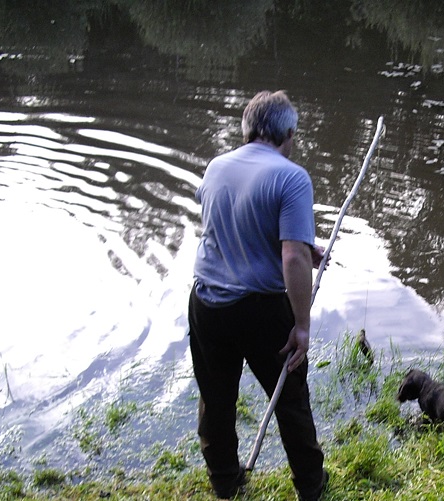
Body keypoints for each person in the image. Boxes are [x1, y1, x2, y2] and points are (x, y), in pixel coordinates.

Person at [188, 90, 328, 500]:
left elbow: (226, 225)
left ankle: (225, 484)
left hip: (207, 303)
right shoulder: (291, 176)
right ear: (287, 133)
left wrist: (302, 245)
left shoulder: (216, 167)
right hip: (260, 309)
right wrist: (301, 325)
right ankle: (311, 486)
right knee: (289, 398)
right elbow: (292, 259)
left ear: (247, 129)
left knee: (216, 400)